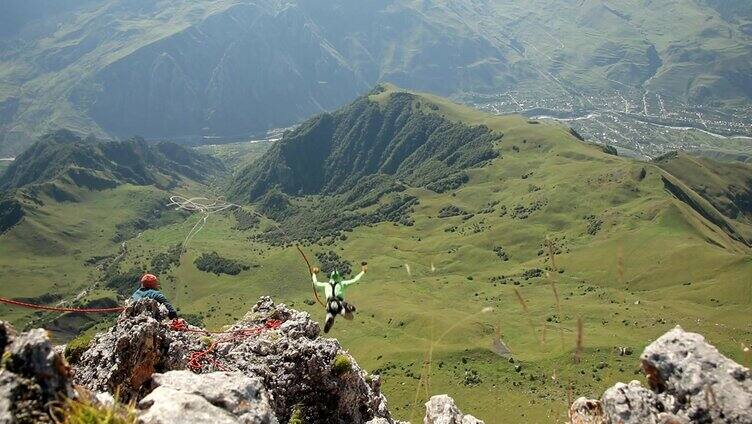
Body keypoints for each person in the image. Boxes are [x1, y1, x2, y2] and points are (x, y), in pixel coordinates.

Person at [312, 262, 368, 333]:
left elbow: (316, 283)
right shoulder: (342, 284)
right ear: (338, 277)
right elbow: (355, 280)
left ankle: (329, 319)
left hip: (330, 304)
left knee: (330, 315)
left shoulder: (326, 285)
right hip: (340, 303)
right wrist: (363, 272)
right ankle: (347, 308)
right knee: (350, 317)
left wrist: (314, 273)